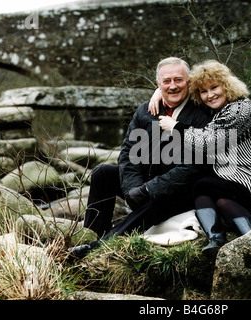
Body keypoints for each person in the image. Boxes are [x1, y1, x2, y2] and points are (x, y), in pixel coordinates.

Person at [69, 57, 212, 257]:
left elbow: (193, 167)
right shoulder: (146, 110)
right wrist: (132, 189)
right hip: (145, 184)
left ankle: (100, 247)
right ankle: (92, 234)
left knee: (156, 198)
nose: (173, 86)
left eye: (178, 80)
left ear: (189, 81)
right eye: (166, 81)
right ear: (158, 84)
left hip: (179, 191)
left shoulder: (203, 113)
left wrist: (148, 189)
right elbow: (129, 154)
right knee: (103, 173)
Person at [153, 60, 251, 258]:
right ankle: (221, 240)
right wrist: (160, 91)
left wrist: (176, 127)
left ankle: (234, 240)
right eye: (203, 91)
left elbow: (210, 142)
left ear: (226, 85)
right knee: (221, 201)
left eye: (214, 87)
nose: (210, 95)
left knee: (201, 185)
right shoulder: (214, 108)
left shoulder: (240, 109)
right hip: (231, 180)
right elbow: (178, 91)